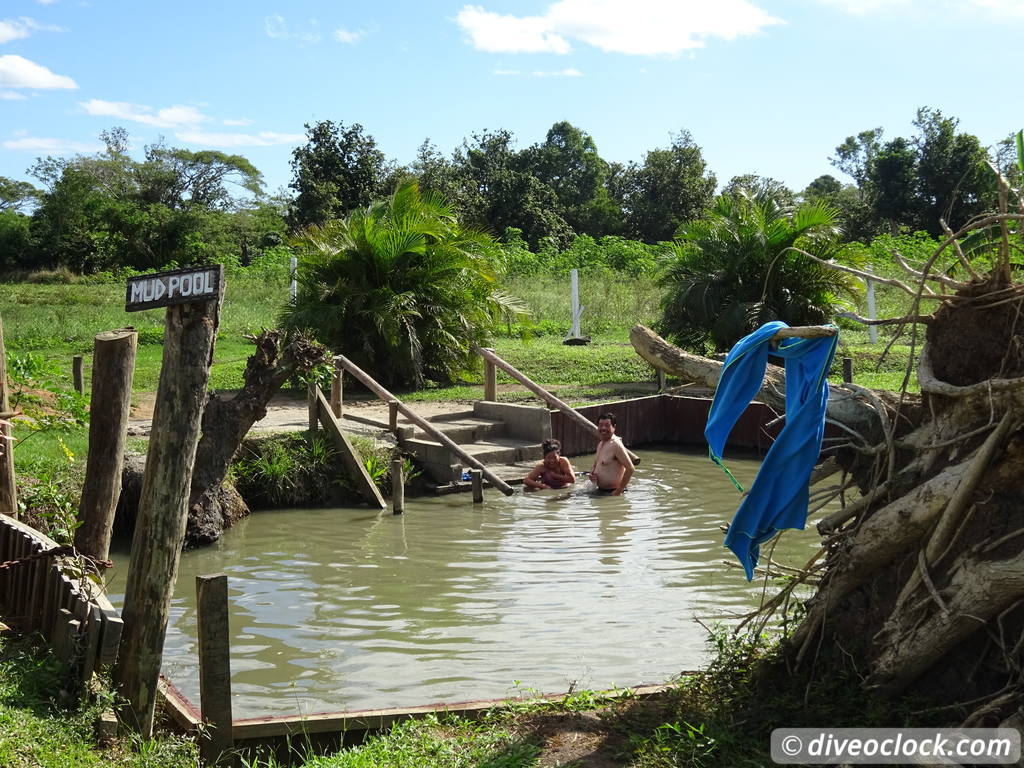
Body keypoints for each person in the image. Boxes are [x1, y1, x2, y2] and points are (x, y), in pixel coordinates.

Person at [588, 412, 634, 495]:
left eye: (607, 425)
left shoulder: (616, 445)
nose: (603, 428)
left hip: (612, 493)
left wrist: (618, 491)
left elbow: (630, 468)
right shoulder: (601, 443)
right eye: (600, 425)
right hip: (600, 491)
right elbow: (597, 465)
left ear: (614, 427)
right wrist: (592, 474)